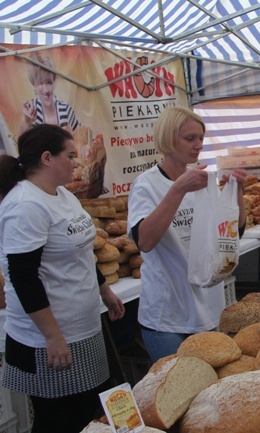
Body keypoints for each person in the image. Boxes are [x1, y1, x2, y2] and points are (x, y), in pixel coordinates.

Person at [0, 125, 125, 433]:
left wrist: (103, 289)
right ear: (47, 158)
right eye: (70, 155)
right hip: (49, 339)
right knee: (58, 420)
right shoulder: (25, 205)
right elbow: (23, 277)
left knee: (87, 412)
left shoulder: (63, 195)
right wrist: (52, 336)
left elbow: (81, 251)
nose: (76, 160)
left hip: (82, 329)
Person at [127, 106, 246, 362]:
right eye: (190, 138)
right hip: (167, 313)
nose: (198, 145)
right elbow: (144, 241)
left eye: (201, 138)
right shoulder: (146, 185)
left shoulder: (202, 181)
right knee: (177, 391)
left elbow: (231, 236)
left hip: (208, 307)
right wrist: (178, 189)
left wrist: (237, 193)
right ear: (169, 139)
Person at [18, 53, 81, 136]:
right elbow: (21, 144)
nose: (46, 90)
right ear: (34, 85)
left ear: (54, 82)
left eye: (49, 82)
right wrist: (26, 123)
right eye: (40, 83)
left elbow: (78, 140)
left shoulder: (66, 110)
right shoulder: (31, 110)